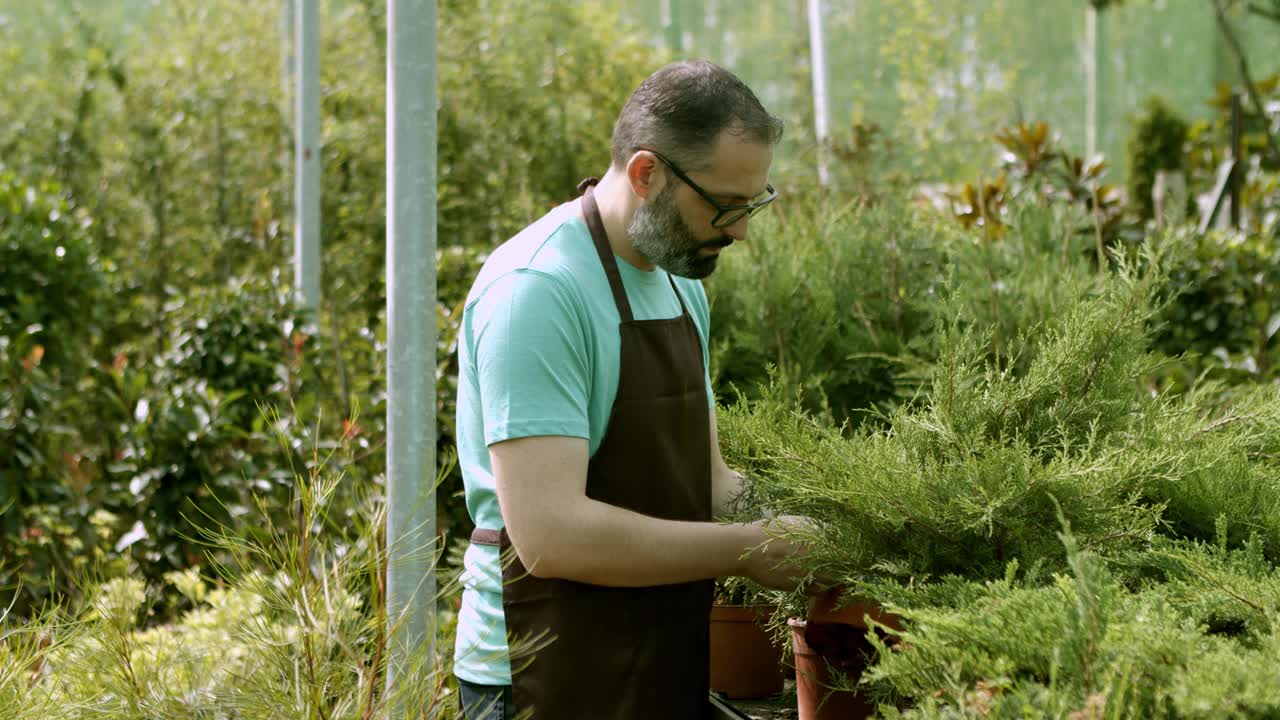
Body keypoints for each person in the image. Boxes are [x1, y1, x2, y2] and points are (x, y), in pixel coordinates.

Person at [453, 59, 814, 720]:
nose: (740, 231)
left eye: (753, 204)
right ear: (647, 173)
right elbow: (551, 536)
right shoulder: (538, 290)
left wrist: (819, 527)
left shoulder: (678, 279)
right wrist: (754, 548)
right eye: (726, 206)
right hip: (541, 669)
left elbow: (708, 483)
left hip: (658, 650)